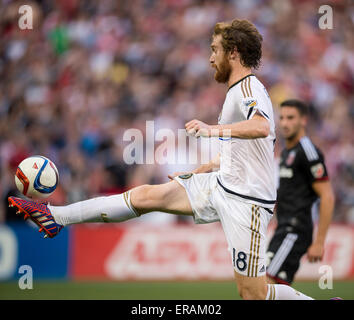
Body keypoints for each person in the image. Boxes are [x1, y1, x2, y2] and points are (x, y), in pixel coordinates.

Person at [9, 19, 315, 300]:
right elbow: (245, 152)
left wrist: (212, 129)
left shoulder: (249, 87)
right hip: (221, 185)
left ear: (233, 53)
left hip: (246, 202)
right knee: (144, 196)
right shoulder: (237, 91)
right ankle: (55, 217)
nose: (210, 58)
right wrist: (204, 168)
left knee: (253, 294)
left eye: (214, 50)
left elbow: (262, 126)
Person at [266, 99, 335, 285]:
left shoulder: (308, 151)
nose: (285, 123)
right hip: (283, 228)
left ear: (303, 120)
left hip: (295, 230)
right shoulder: (288, 152)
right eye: (282, 118)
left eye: (291, 118)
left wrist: (319, 242)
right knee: (274, 289)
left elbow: (327, 197)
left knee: (264, 285)